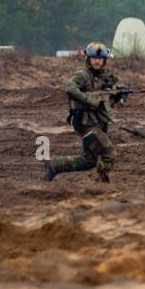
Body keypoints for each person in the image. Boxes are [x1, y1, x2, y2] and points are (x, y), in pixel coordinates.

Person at [44, 41, 125, 183]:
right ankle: (100, 185)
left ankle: (54, 166)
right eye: (94, 58)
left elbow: (110, 97)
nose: (97, 62)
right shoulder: (83, 75)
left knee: (90, 159)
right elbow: (70, 87)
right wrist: (88, 99)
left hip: (99, 121)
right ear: (88, 58)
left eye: (100, 59)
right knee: (109, 153)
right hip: (85, 122)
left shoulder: (108, 76)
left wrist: (119, 95)